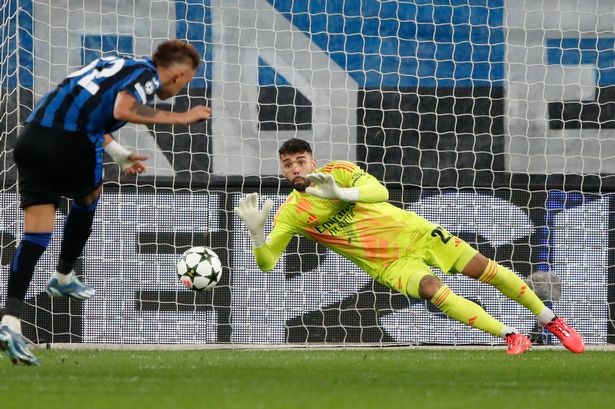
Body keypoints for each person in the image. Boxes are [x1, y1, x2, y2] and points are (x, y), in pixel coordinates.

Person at [234, 138, 585, 355]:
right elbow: (267, 263)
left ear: (312, 161)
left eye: (300, 161)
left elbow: (380, 192)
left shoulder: (338, 172)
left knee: (485, 269)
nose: (295, 168)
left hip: (416, 233)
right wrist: (256, 235)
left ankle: (551, 320)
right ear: (283, 170)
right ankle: (511, 336)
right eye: (288, 165)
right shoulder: (291, 213)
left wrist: (341, 193)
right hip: (389, 264)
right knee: (433, 290)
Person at [0, 40, 212, 365]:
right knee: (89, 195)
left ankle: (10, 320)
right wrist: (183, 117)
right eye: (187, 82)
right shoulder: (147, 75)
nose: (182, 87)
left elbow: (90, 108)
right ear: (178, 74)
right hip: (68, 143)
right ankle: (63, 275)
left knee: (36, 235)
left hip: (30, 140)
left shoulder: (113, 64)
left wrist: (119, 153)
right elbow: (122, 108)